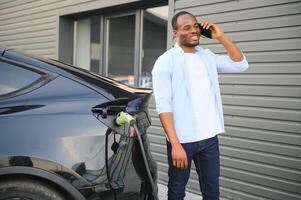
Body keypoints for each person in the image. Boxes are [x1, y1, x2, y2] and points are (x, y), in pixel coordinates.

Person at [151, 11, 249, 200]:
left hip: (209, 138)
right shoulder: (166, 61)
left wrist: (220, 36)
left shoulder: (207, 56)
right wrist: (175, 145)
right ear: (175, 32)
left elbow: (240, 64)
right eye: (186, 27)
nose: (193, 30)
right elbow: (163, 107)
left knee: (212, 192)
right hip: (182, 140)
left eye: (196, 26)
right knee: (177, 190)